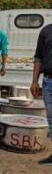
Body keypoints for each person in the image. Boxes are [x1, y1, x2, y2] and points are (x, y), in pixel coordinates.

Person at [31, 22, 52, 165]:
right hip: (48, 81)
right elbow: (38, 57)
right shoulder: (46, 30)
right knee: (51, 120)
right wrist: (34, 81)